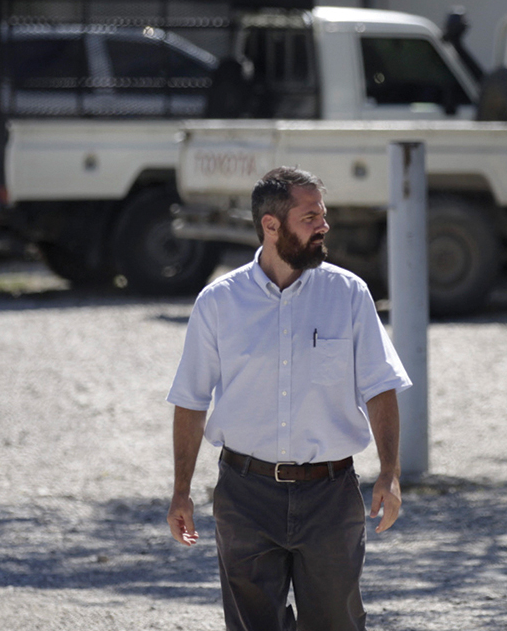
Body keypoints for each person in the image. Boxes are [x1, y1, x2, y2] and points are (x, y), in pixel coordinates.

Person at [165, 166, 412, 631]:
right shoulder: (218, 302)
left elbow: (380, 387)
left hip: (331, 495)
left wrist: (390, 473)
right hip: (244, 494)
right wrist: (180, 491)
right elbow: (191, 401)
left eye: (323, 215)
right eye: (310, 216)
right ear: (271, 226)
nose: (324, 226)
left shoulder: (349, 294)